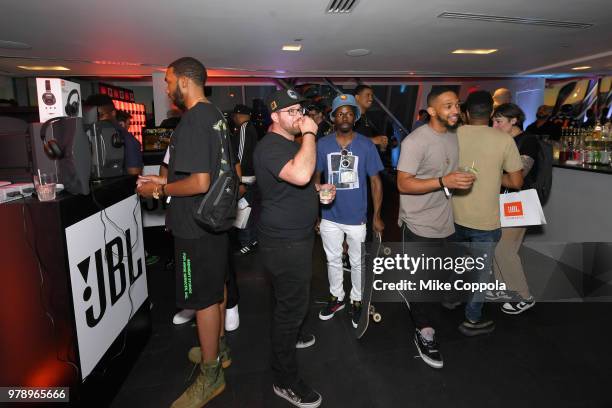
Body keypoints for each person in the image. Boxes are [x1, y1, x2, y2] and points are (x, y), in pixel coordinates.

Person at [136, 57, 229, 408]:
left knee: (201, 297)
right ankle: (219, 350)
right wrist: (165, 179)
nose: (165, 86)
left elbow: (200, 181)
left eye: (169, 80)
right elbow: (210, 173)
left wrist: (159, 191)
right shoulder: (216, 116)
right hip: (215, 221)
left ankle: (211, 375)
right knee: (216, 285)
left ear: (185, 82)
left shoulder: (192, 121)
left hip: (194, 224)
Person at [253, 89, 326, 408]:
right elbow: (298, 174)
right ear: (275, 117)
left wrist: (317, 192)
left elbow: (297, 181)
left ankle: (295, 334)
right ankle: (284, 380)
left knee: (289, 299)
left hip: (294, 236)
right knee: (290, 309)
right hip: (284, 242)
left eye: (301, 111)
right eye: (292, 112)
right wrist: (310, 134)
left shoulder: (284, 144)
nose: (301, 117)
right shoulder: (270, 145)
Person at [397, 86, 474, 368]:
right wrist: (443, 182)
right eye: (448, 105)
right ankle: (424, 332)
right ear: (431, 111)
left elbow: (447, 173)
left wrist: (457, 180)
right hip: (418, 222)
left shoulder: (453, 136)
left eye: (456, 104)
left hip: (445, 220)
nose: (455, 110)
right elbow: (403, 183)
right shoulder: (416, 142)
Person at [452, 91, 523, 337]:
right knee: (481, 271)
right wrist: (492, 175)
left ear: (466, 113)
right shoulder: (504, 140)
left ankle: (452, 299)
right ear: (491, 113)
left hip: (454, 215)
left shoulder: (453, 135)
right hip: (486, 219)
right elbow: (516, 181)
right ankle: (472, 318)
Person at [316, 94, 384, 328]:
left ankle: (357, 300)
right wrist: (317, 209)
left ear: (355, 117)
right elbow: (316, 176)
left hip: (356, 217)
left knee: (357, 262)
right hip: (329, 216)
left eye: (349, 113)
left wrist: (376, 215)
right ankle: (337, 297)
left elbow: (375, 181)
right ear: (334, 117)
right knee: (333, 259)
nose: (344, 117)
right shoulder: (323, 145)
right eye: (340, 113)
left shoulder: (366, 145)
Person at [491, 103, 538, 314]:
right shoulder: (504, 140)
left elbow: (518, 177)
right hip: (504, 200)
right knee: (497, 247)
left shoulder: (527, 141)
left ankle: (524, 295)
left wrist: (490, 173)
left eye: (499, 121)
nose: (494, 125)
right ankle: (504, 288)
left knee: (505, 250)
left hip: (520, 201)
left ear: (514, 121)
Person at [84, 94, 143, 175]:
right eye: (91, 116)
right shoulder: (82, 135)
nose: (96, 120)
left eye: (100, 115)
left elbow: (134, 175)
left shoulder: (127, 140)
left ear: (113, 113)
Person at [231, 104, 259, 257]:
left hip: (245, 178)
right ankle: (251, 241)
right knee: (248, 211)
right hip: (251, 177)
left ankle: (247, 243)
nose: (233, 119)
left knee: (243, 211)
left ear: (238, 115)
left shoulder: (244, 128)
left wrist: (239, 180)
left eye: (234, 116)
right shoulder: (252, 129)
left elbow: (239, 157)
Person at [353, 84, 389, 150]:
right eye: (367, 95)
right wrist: (373, 140)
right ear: (357, 97)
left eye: (371, 96)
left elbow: (372, 142)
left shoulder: (368, 117)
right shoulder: (350, 117)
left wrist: (381, 144)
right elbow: (346, 140)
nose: (371, 99)